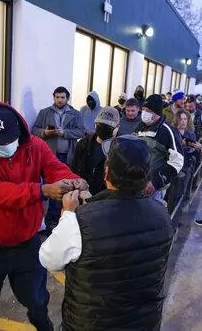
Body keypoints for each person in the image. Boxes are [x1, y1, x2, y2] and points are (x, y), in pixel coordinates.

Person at [0, 101, 88, 331]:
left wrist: (74, 182)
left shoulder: (34, 145)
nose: (7, 146)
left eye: (10, 140)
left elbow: (55, 168)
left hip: (27, 243)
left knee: (37, 303)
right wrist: (42, 190)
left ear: (19, 130)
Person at [39, 135, 175, 331]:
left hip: (91, 323)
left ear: (106, 173)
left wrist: (67, 215)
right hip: (143, 322)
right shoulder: (162, 214)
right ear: (147, 176)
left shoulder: (79, 220)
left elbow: (48, 259)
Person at [32, 86, 85, 233]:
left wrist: (64, 133)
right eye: (57, 97)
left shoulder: (75, 114)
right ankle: (49, 223)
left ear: (67, 98)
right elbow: (34, 131)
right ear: (54, 97)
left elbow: (81, 131)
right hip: (50, 155)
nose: (59, 100)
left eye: (62, 97)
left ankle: (61, 222)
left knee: (65, 188)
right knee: (50, 189)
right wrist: (45, 132)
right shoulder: (45, 113)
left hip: (68, 155)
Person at [134, 94, 184, 201]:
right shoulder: (139, 128)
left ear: (156, 113)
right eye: (143, 109)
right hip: (135, 184)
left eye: (148, 111)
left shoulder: (167, 132)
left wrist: (157, 181)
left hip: (153, 189)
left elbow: (177, 162)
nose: (144, 113)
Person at [71, 107, 120, 196]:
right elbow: (74, 170)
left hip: (106, 199)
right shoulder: (83, 144)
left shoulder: (120, 149)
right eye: (100, 125)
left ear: (117, 128)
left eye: (108, 127)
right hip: (83, 195)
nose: (103, 129)